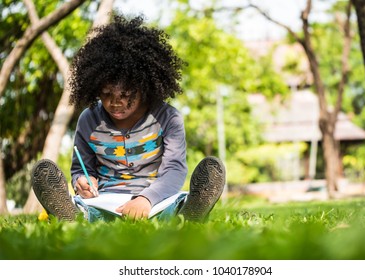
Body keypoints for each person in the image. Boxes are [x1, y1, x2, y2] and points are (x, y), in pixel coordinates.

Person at [31, 15, 225, 223]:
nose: (115, 103)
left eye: (125, 95)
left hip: (156, 200)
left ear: (144, 86)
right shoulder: (89, 120)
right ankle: (73, 215)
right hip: (105, 200)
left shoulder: (168, 118)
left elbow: (174, 169)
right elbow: (81, 168)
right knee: (87, 209)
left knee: (174, 204)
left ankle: (188, 212)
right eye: (106, 94)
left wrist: (145, 199)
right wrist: (82, 181)